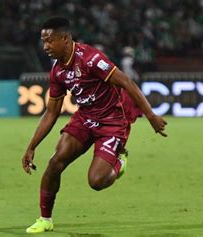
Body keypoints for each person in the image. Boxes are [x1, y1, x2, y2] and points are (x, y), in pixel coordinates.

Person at [22, 17, 167, 233]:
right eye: (43, 42)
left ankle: (118, 162)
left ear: (64, 39)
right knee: (55, 163)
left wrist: (151, 116)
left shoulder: (91, 59)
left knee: (96, 181)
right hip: (85, 118)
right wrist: (32, 146)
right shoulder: (58, 71)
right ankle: (45, 219)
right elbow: (52, 112)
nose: (45, 47)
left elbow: (126, 82)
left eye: (50, 41)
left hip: (112, 122)